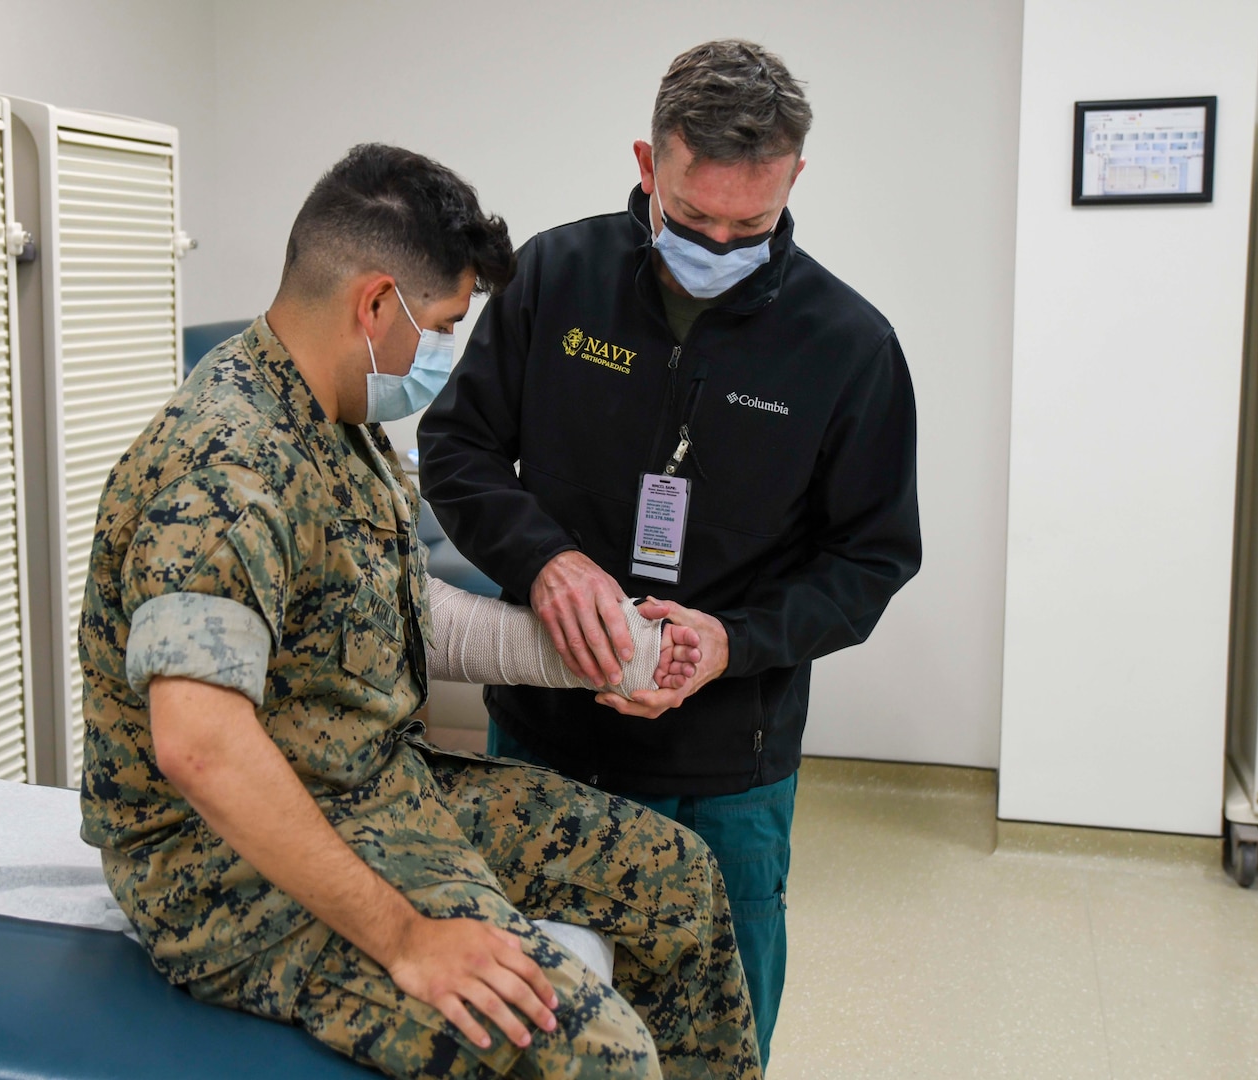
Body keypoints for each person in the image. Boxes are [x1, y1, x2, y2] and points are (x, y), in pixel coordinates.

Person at [78, 142, 763, 1080]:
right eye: (441, 324)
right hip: (224, 868)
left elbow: (388, 610)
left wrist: (600, 652)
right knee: (600, 1061)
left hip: (370, 785)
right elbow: (198, 744)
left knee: (679, 882)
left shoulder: (338, 419)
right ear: (373, 304)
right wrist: (407, 938)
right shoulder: (226, 464)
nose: (444, 350)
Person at [418, 40, 922, 1068]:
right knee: (538, 1030)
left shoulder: (849, 346)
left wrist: (730, 643)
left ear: (794, 181)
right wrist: (547, 565)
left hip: (724, 768)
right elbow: (459, 449)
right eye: (695, 221)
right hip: (547, 742)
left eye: (753, 225)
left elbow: (871, 559)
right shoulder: (556, 278)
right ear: (650, 165)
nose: (722, 242)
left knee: (711, 1041)